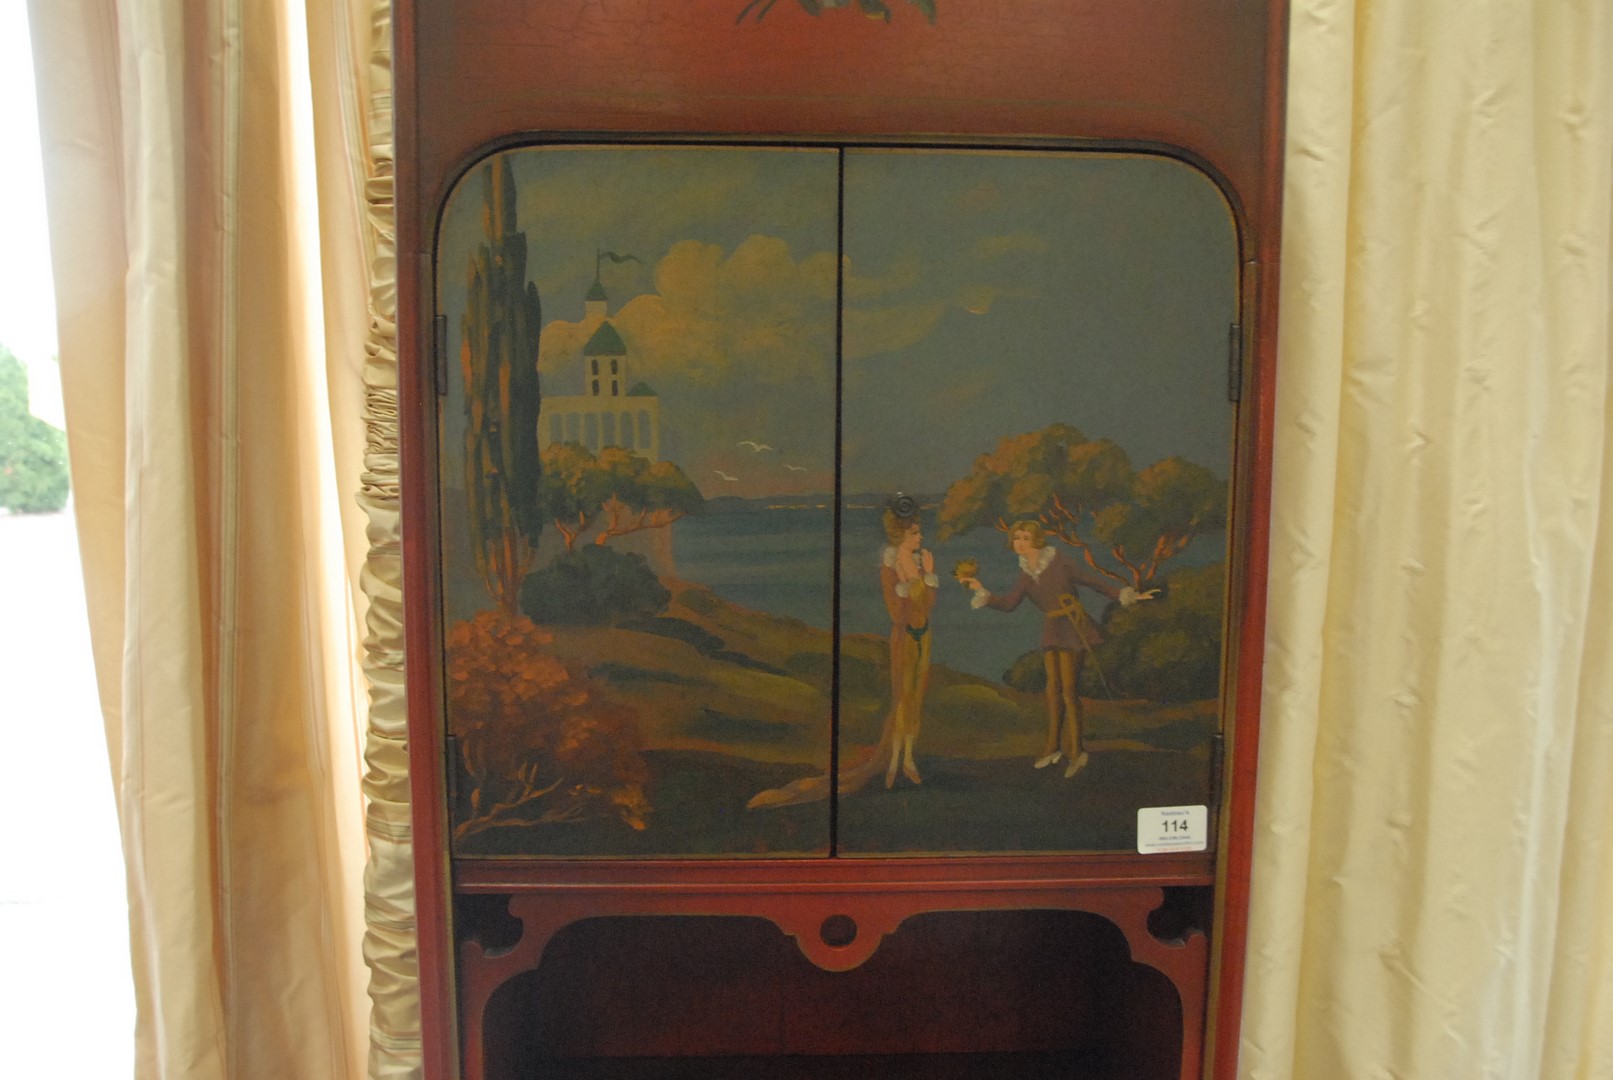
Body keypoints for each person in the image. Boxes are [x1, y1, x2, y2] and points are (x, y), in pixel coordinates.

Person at [958, 521, 1153, 778]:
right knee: (1052, 690)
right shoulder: (1026, 573)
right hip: (1052, 628)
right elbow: (1009, 604)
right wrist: (981, 591)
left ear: (1036, 539)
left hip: (1073, 626)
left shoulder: (1059, 561)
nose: (1020, 543)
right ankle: (1053, 748)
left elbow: (1090, 581)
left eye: (1025, 537)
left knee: (1069, 690)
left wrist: (1126, 595)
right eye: (1016, 538)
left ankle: (1077, 751)